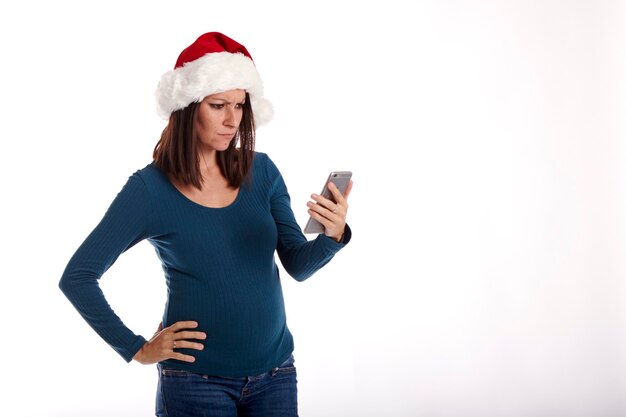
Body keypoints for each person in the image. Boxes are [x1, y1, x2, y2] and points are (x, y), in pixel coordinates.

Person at [59, 32, 352, 417]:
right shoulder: (150, 189)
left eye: (239, 105)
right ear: (187, 107)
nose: (233, 120)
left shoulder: (261, 171)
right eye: (218, 105)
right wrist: (135, 348)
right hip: (196, 384)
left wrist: (332, 236)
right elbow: (78, 276)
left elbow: (297, 264)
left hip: (276, 374)